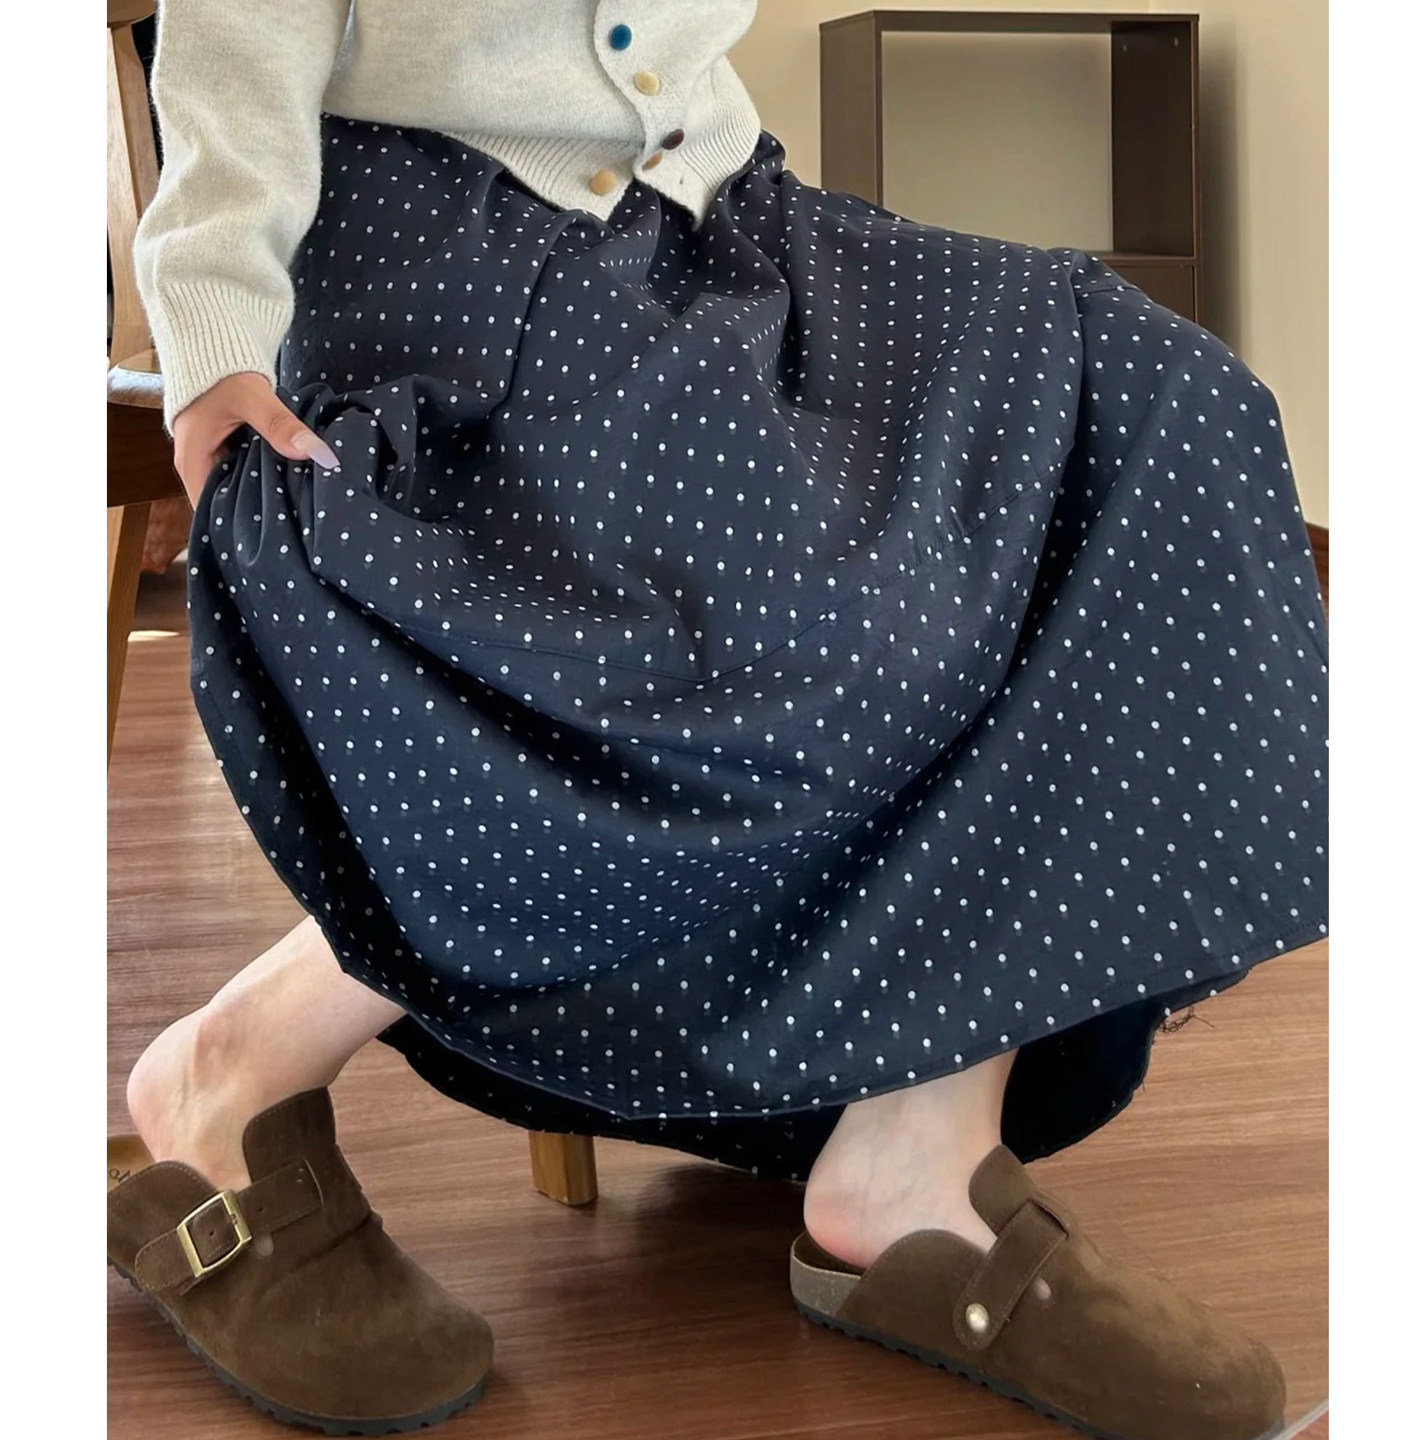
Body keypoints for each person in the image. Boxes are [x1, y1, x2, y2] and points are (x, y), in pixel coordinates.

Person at [106, 4, 1328, 1438]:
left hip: (717, 220)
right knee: (848, 624)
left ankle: (916, 1152)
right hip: (442, 279)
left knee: (1165, 413)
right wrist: (213, 315)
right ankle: (235, 1067)